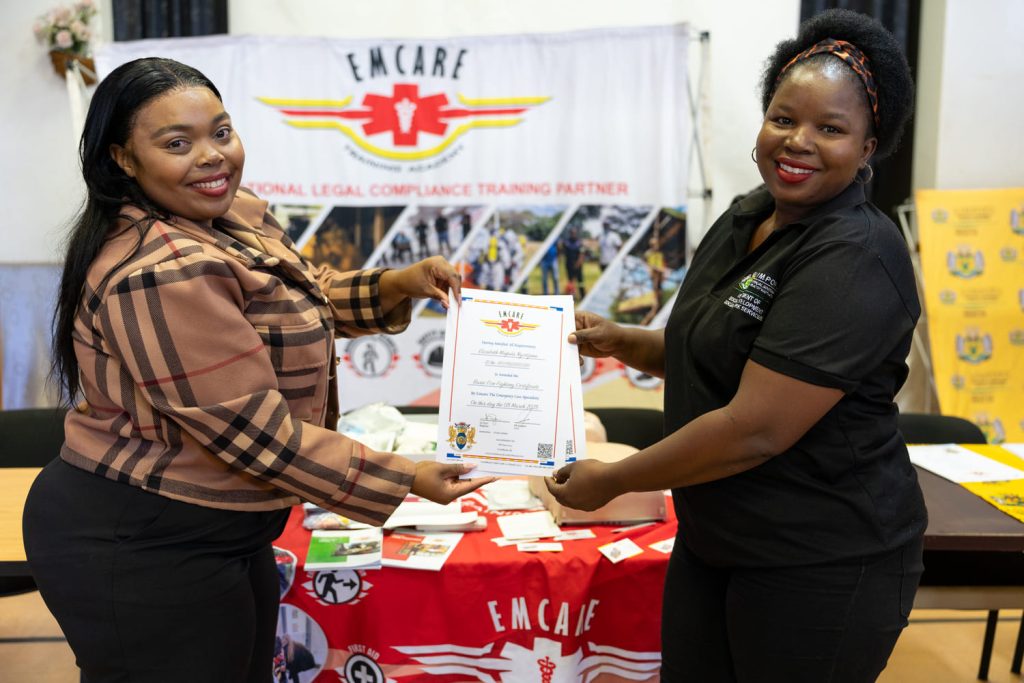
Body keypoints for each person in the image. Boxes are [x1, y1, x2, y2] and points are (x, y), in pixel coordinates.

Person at [22, 57, 492, 683]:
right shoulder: (161, 271)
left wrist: (395, 285)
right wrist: (406, 477)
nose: (212, 156)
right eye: (177, 144)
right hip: (142, 535)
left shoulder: (229, 215)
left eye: (221, 132)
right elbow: (256, 433)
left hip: (221, 526)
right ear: (123, 159)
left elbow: (297, 300)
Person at [546, 10, 923, 682]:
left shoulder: (857, 256)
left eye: (830, 128)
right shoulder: (748, 214)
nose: (798, 141)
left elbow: (756, 428)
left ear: (868, 148)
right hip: (716, 539)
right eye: (784, 118)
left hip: (820, 558)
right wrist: (621, 340)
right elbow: (711, 352)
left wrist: (616, 479)